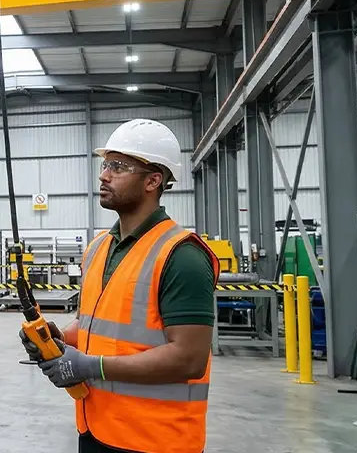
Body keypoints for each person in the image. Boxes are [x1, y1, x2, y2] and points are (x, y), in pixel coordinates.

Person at [20, 119, 219, 453]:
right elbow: (94, 324)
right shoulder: (99, 248)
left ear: (153, 181)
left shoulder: (182, 255)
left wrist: (90, 366)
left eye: (118, 167)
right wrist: (59, 338)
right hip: (96, 429)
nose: (104, 175)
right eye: (105, 165)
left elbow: (188, 359)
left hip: (156, 440)